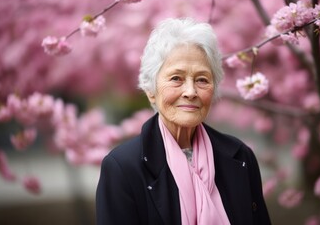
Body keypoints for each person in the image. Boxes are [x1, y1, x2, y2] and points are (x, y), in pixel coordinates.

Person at [96, 17, 272, 225]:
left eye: (202, 80)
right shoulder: (123, 167)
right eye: (176, 78)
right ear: (151, 90)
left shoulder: (240, 157)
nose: (190, 92)